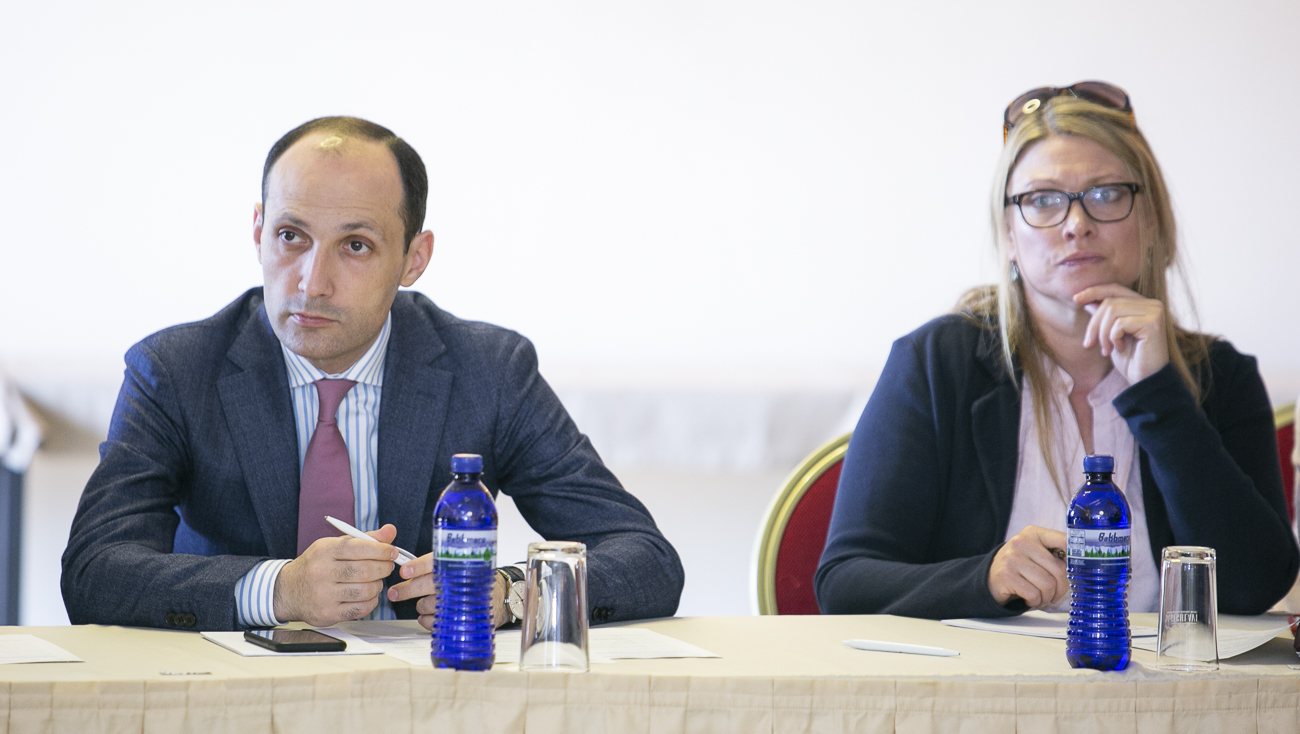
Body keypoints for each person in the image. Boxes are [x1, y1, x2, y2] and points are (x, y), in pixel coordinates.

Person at [61, 117, 684, 631]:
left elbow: (645, 558)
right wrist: (277, 589)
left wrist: (509, 593)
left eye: (355, 245)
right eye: (290, 236)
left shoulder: (489, 370)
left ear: (414, 258)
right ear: (257, 231)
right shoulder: (175, 370)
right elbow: (95, 571)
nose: (312, 282)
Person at [816, 83, 1299, 619]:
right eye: (1042, 200)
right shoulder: (936, 364)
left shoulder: (1221, 377)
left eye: (1106, 194)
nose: (1076, 224)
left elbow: (1254, 585)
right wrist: (985, 578)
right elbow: (845, 583)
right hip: (979, 674)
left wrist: (1160, 397)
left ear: (1151, 219)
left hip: (1157, 676)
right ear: (1009, 234)